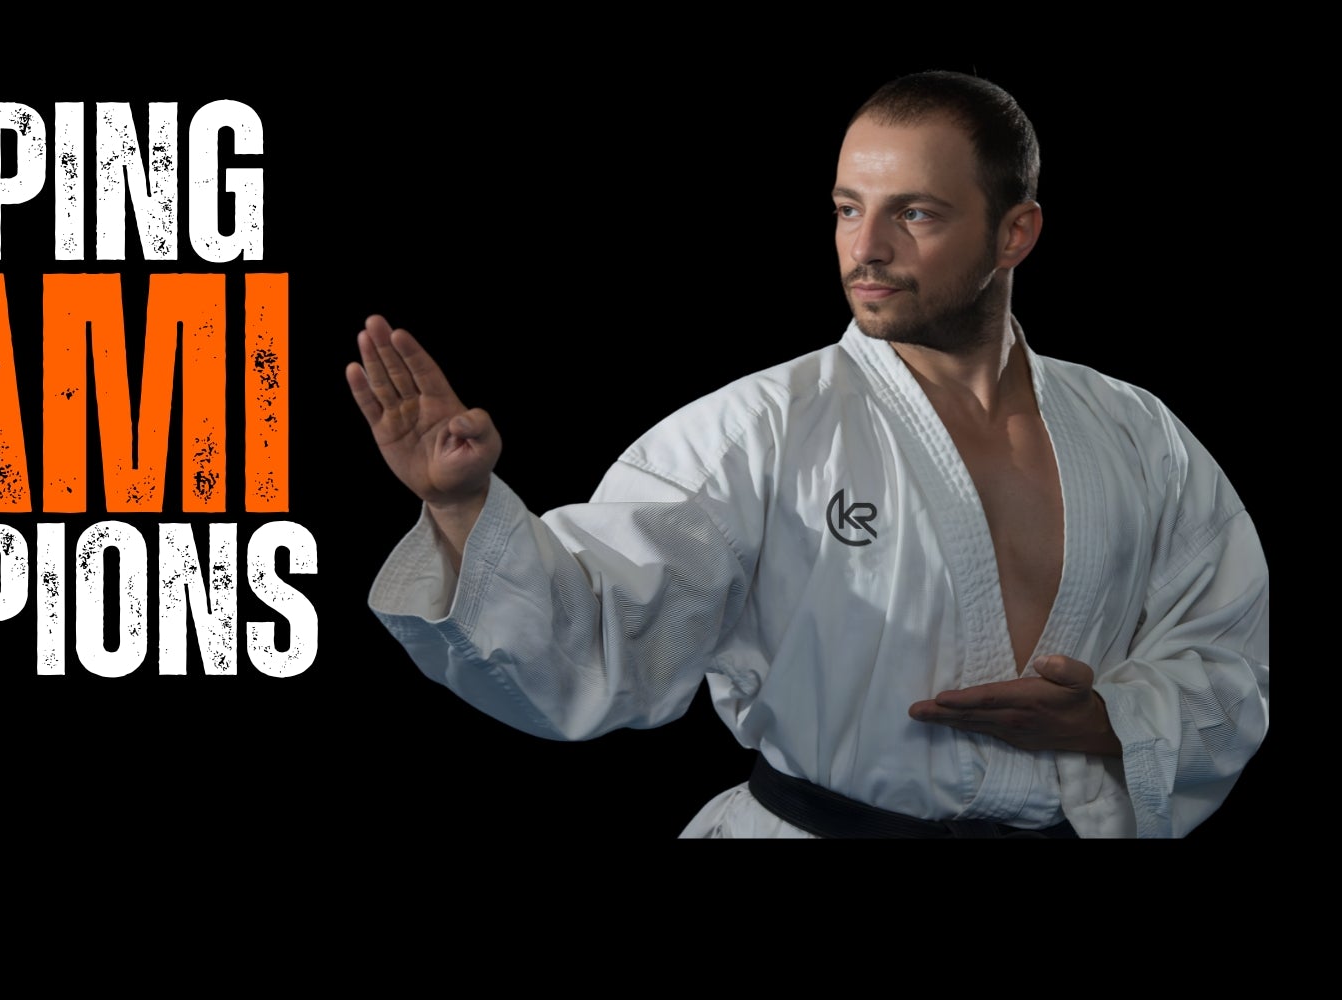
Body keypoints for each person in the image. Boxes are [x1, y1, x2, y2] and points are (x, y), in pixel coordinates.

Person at [346, 71, 1269, 838]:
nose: (865, 249)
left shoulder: (1139, 435)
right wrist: (464, 509)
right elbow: (593, 631)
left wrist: (1115, 719)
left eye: (914, 213)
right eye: (846, 209)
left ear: (1015, 232)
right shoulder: (758, 430)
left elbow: (1228, 654)